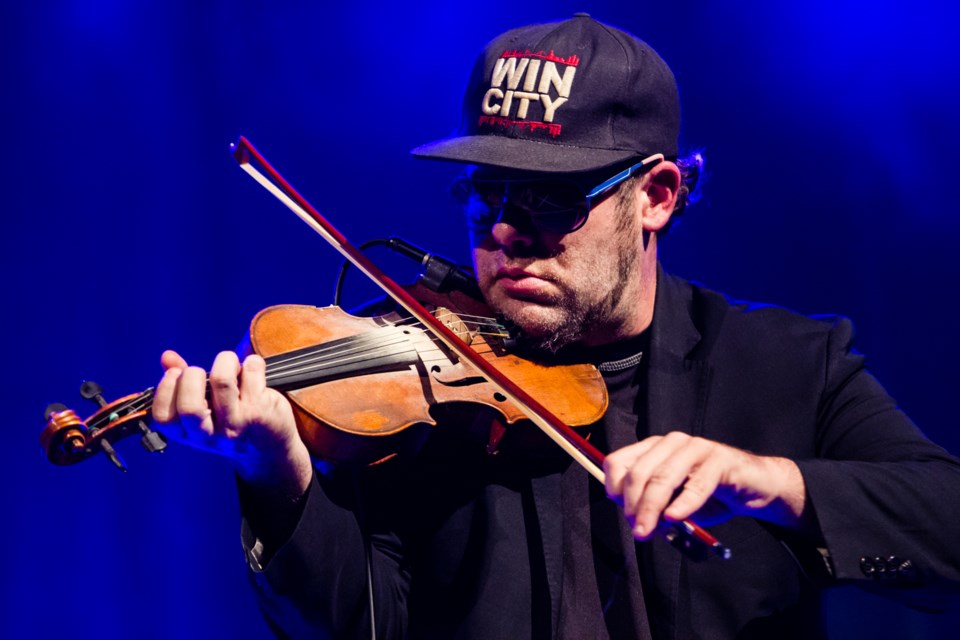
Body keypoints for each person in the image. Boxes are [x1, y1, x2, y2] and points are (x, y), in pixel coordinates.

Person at [150, 14, 960, 639]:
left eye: (548, 202)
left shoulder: (788, 364)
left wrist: (772, 483)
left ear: (659, 196)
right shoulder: (406, 384)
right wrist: (278, 470)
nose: (505, 234)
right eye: (485, 196)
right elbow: (358, 623)